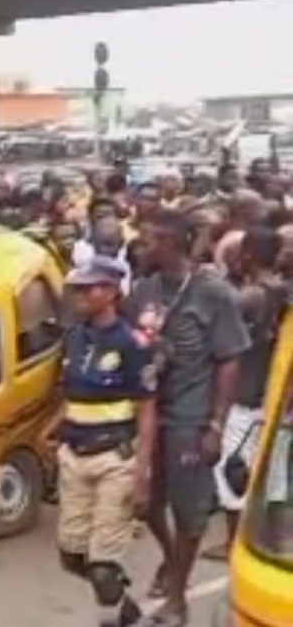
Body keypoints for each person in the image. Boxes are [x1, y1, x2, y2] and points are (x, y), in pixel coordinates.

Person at [127, 210, 250, 627]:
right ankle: (172, 560)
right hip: (149, 415)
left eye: (147, 241)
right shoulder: (143, 290)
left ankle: (177, 596)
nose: (140, 248)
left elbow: (229, 361)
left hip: (190, 420)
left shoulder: (213, 293)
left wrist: (216, 425)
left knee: (189, 512)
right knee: (145, 504)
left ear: (170, 244)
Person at [57, 256, 158, 626]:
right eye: (78, 289)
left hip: (115, 458)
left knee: (102, 567)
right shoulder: (73, 337)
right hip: (74, 455)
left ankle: (113, 617)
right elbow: (71, 395)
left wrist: (142, 473)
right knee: (71, 556)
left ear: (113, 292)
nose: (81, 295)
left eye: (89, 288)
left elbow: (147, 409)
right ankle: (124, 605)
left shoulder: (133, 344)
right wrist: (53, 431)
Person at [204, 225, 287, 559]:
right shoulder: (284, 290)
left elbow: (216, 332)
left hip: (245, 397)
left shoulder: (250, 296)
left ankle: (233, 543)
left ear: (247, 255)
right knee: (272, 473)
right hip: (275, 396)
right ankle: (273, 538)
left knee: (232, 470)